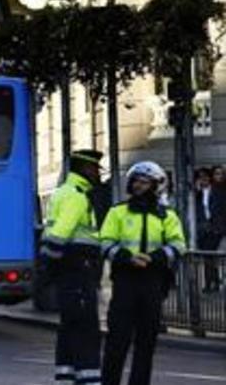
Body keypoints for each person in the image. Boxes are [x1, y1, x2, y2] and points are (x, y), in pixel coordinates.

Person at [99, 161, 186, 385]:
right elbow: (105, 242)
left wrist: (155, 258)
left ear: (156, 186)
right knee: (117, 342)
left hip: (153, 283)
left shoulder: (167, 216)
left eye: (144, 182)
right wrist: (128, 257)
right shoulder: (117, 212)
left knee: (146, 344)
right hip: (125, 282)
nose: (138, 186)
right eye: (136, 181)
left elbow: (178, 245)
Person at [40, 149, 105, 385]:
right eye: (96, 169)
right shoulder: (77, 197)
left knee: (68, 327)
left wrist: (49, 268)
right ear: (86, 169)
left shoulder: (63, 192)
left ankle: (65, 377)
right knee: (86, 328)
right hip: (77, 268)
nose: (98, 173)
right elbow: (61, 234)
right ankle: (89, 379)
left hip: (68, 270)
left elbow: (53, 239)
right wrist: (55, 263)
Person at [194, 169, 221, 292]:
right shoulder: (197, 194)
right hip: (202, 229)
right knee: (207, 257)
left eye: (205, 177)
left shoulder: (216, 191)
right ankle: (213, 282)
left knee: (210, 255)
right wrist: (197, 191)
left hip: (214, 228)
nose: (203, 179)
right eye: (200, 177)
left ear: (209, 178)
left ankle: (212, 283)